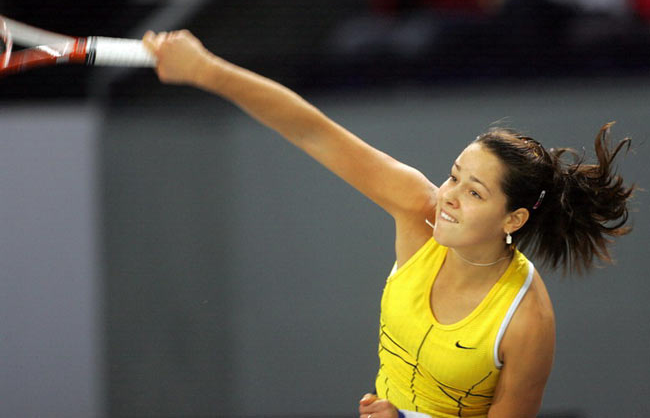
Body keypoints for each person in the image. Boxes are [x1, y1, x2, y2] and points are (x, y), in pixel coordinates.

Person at [143, 30, 633, 418]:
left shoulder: (527, 320)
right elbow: (313, 131)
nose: (449, 198)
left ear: (514, 217)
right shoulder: (419, 209)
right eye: (454, 176)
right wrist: (208, 71)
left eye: (474, 192)